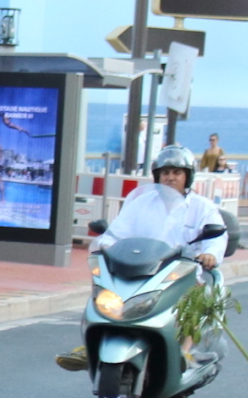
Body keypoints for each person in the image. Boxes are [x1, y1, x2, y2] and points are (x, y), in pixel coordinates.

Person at [55, 148, 225, 371]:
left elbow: (217, 236)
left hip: (181, 273)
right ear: (157, 176)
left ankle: (185, 352)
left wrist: (210, 253)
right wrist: (105, 244)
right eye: (165, 172)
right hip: (139, 270)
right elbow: (117, 233)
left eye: (176, 172)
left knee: (195, 297)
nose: (170, 177)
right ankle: (91, 344)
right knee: (104, 291)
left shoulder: (203, 208)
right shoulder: (141, 203)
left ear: (187, 176)